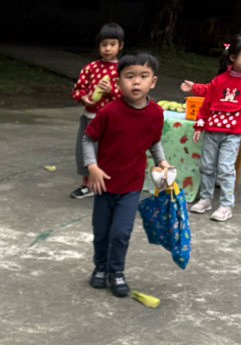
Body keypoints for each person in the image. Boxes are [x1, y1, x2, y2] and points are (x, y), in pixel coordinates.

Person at [82, 51, 170, 297]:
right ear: (118, 81)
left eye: (143, 76)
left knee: (121, 233)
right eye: (129, 76)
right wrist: (92, 167)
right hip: (104, 185)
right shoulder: (109, 112)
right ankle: (100, 266)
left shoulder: (156, 113)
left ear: (153, 81)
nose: (136, 82)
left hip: (131, 185)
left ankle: (116, 271)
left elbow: (153, 141)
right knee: (102, 231)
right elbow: (88, 139)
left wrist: (161, 161)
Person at [181, 30, 241, 222]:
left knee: (226, 168)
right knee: (207, 166)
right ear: (233, 56)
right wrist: (199, 125)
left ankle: (226, 205)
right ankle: (205, 199)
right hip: (212, 131)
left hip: (233, 134)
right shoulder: (220, 79)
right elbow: (207, 102)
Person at [70, 22, 124, 199]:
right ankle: (88, 184)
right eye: (104, 44)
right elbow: (79, 89)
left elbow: (129, 94)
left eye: (112, 44)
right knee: (86, 152)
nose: (107, 49)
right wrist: (83, 98)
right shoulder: (90, 68)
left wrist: (112, 91)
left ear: (120, 46)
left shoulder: (123, 70)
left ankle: (109, 184)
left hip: (112, 120)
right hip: (90, 117)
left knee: (109, 153)